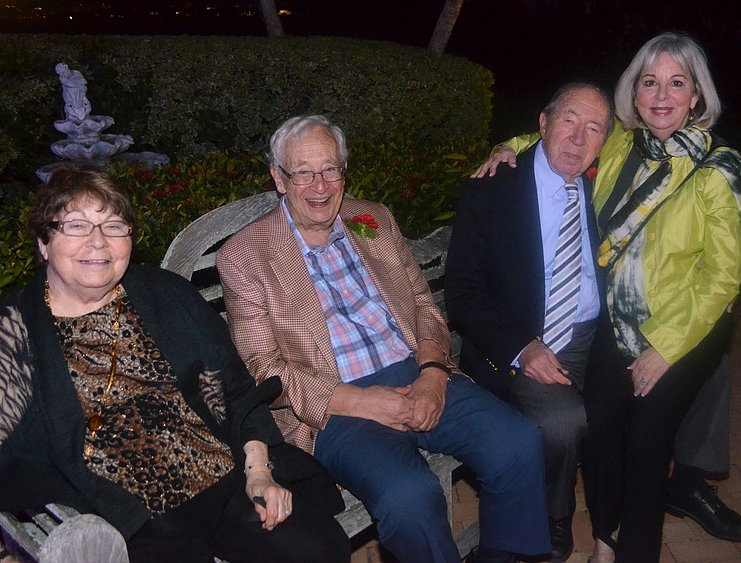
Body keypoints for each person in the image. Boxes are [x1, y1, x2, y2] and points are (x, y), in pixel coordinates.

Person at [0, 165, 351, 563]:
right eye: (76, 226)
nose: (98, 243)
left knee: (320, 547)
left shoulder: (165, 294)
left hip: (224, 480)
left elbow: (236, 390)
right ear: (43, 241)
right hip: (125, 523)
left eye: (113, 226)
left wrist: (259, 472)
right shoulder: (4, 339)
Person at [475, 32, 741, 562]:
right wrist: (505, 149)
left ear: (697, 95)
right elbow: (559, 139)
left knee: (647, 442)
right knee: (602, 431)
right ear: (635, 90)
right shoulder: (622, 144)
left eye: (677, 83)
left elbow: (722, 275)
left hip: (683, 327)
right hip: (618, 323)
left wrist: (665, 349)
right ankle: (605, 540)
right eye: (649, 82)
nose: (661, 95)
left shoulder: (722, 169)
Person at [217, 115, 550, 563]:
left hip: (417, 370)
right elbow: (264, 369)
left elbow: (421, 302)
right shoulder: (244, 255)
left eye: (331, 169)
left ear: (344, 171)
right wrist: (362, 402)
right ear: (279, 178)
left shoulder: (370, 217)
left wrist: (433, 372)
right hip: (334, 404)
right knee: (409, 496)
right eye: (303, 173)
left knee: (518, 443)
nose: (320, 186)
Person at [446, 83, 612, 563]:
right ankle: (555, 516)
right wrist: (522, 347)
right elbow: (463, 292)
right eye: (569, 120)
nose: (578, 138)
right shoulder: (490, 190)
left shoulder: (602, 189)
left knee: (655, 389)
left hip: (592, 336)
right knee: (562, 421)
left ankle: (621, 519)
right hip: (524, 339)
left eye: (594, 129)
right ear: (542, 123)